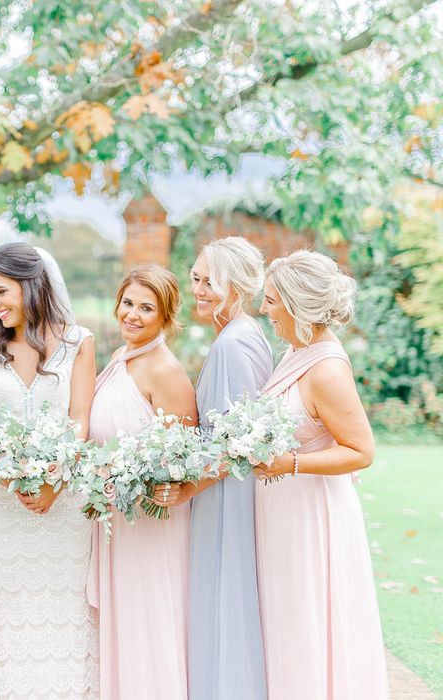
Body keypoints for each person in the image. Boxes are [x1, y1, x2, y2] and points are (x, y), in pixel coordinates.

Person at [0, 242, 98, 699]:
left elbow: (80, 421)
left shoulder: (80, 342)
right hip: (1, 509)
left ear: (31, 285)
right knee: (11, 615)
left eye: (2, 291)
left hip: (65, 506)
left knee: (67, 612)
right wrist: (15, 482)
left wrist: (54, 485)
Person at [254, 250, 389, 699]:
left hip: (313, 516)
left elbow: (361, 450)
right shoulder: (297, 352)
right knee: (289, 619)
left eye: (271, 300)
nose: (263, 309)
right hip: (285, 512)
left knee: (309, 618)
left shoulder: (326, 369)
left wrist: (289, 464)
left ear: (295, 306)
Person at [156, 236, 272, 699]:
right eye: (197, 279)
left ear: (237, 287)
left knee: (224, 597)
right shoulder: (247, 334)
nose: (199, 290)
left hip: (224, 494)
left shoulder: (230, 345)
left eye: (210, 282)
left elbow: (234, 445)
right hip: (232, 487)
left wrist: (186, 489)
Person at [87, 264, 197, 699]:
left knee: (149, 618)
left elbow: (185, 457)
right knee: (125, 620)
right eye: (128, 303)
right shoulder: (121, 359)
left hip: (151, 523)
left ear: (165, 317)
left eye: (146, 308)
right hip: (116, 519)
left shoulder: (165, 370)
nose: (132, 315)